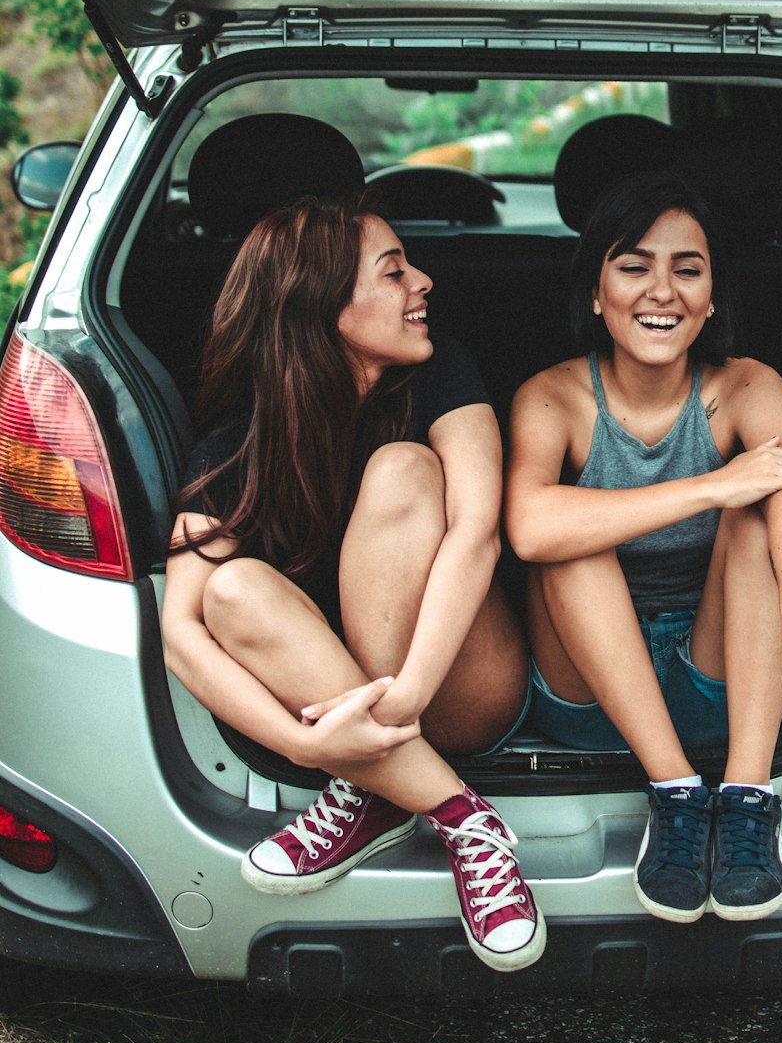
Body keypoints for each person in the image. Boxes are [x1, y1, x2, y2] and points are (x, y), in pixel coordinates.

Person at [161, 194, 545, 972]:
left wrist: (398, 705)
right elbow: (180, 634)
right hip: (341, 720)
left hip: (461, 685)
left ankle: (371, 789)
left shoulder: (444, 377)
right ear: (325, 305)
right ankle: (459, 817)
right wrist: (311, 744)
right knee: (227, 591)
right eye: (395, 271)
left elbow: (479, 533)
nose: (424, 282)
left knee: (403, 468)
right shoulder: (236, 446)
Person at [504, 171, 782, 924]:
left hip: (723, 686)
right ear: (597, 293)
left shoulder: (748, 385)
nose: (661, 291)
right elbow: (530, 528)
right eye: (634, 266)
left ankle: (745, 795)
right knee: (573, 535)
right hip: (590, 693)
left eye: (687, 270)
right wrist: (711, 485)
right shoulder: (552, 396)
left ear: (711, 300)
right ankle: (674, 792)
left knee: (760, 512)